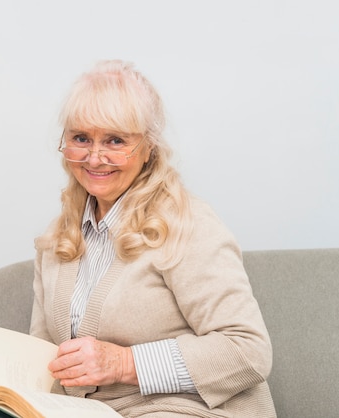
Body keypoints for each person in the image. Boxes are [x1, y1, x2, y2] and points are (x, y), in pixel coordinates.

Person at [30, 60, 276, 417]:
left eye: (115, 140)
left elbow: (248, 350)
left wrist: (125, 363)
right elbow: (43, 357)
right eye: (81, 138)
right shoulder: (56, 240)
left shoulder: (188, 225)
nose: (95, 157)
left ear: (149, 148)